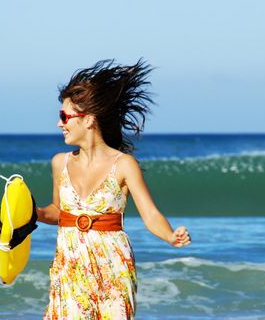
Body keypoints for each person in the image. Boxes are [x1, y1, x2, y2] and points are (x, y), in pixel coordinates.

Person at [36, 59, 191, 319]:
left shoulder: (124, 165)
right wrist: (32, 211)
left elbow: (150, 214)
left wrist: (170, 236)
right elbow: (57, 212)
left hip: (112, 265)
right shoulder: (59, 163)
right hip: (70, 264)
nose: (59, 124)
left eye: (64, 116)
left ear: (89, 121)